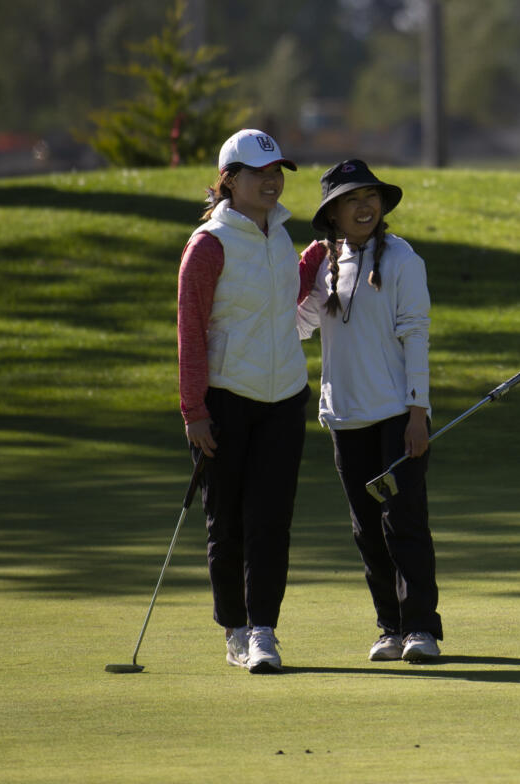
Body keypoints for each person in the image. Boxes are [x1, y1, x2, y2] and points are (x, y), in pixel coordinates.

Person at [297, 160, 443, 662]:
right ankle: (389, 627)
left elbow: (415, 335)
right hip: (344, 416)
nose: (364, 206)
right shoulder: (322, 264)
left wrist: (418, 412)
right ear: (331, 214)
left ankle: (420, 627)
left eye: (370, 197)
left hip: (397, 416)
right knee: (366, 528)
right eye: (350, 199)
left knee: (402, 522)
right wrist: (294, 275)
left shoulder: (402, 259)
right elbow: (299, 328)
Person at [177, 129, 310, 673]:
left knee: (271, 522)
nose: (272, 182)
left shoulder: (281, 236)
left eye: (277, 172)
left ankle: (264, 631)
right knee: (227, 523)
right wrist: (194, 411)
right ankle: (235, 627)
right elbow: (191, 331)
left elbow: (280, 301)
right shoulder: (208, 244)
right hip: (227, 401)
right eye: (260, 174)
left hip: (283, 399)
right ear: (230, 180)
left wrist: (315, 262)